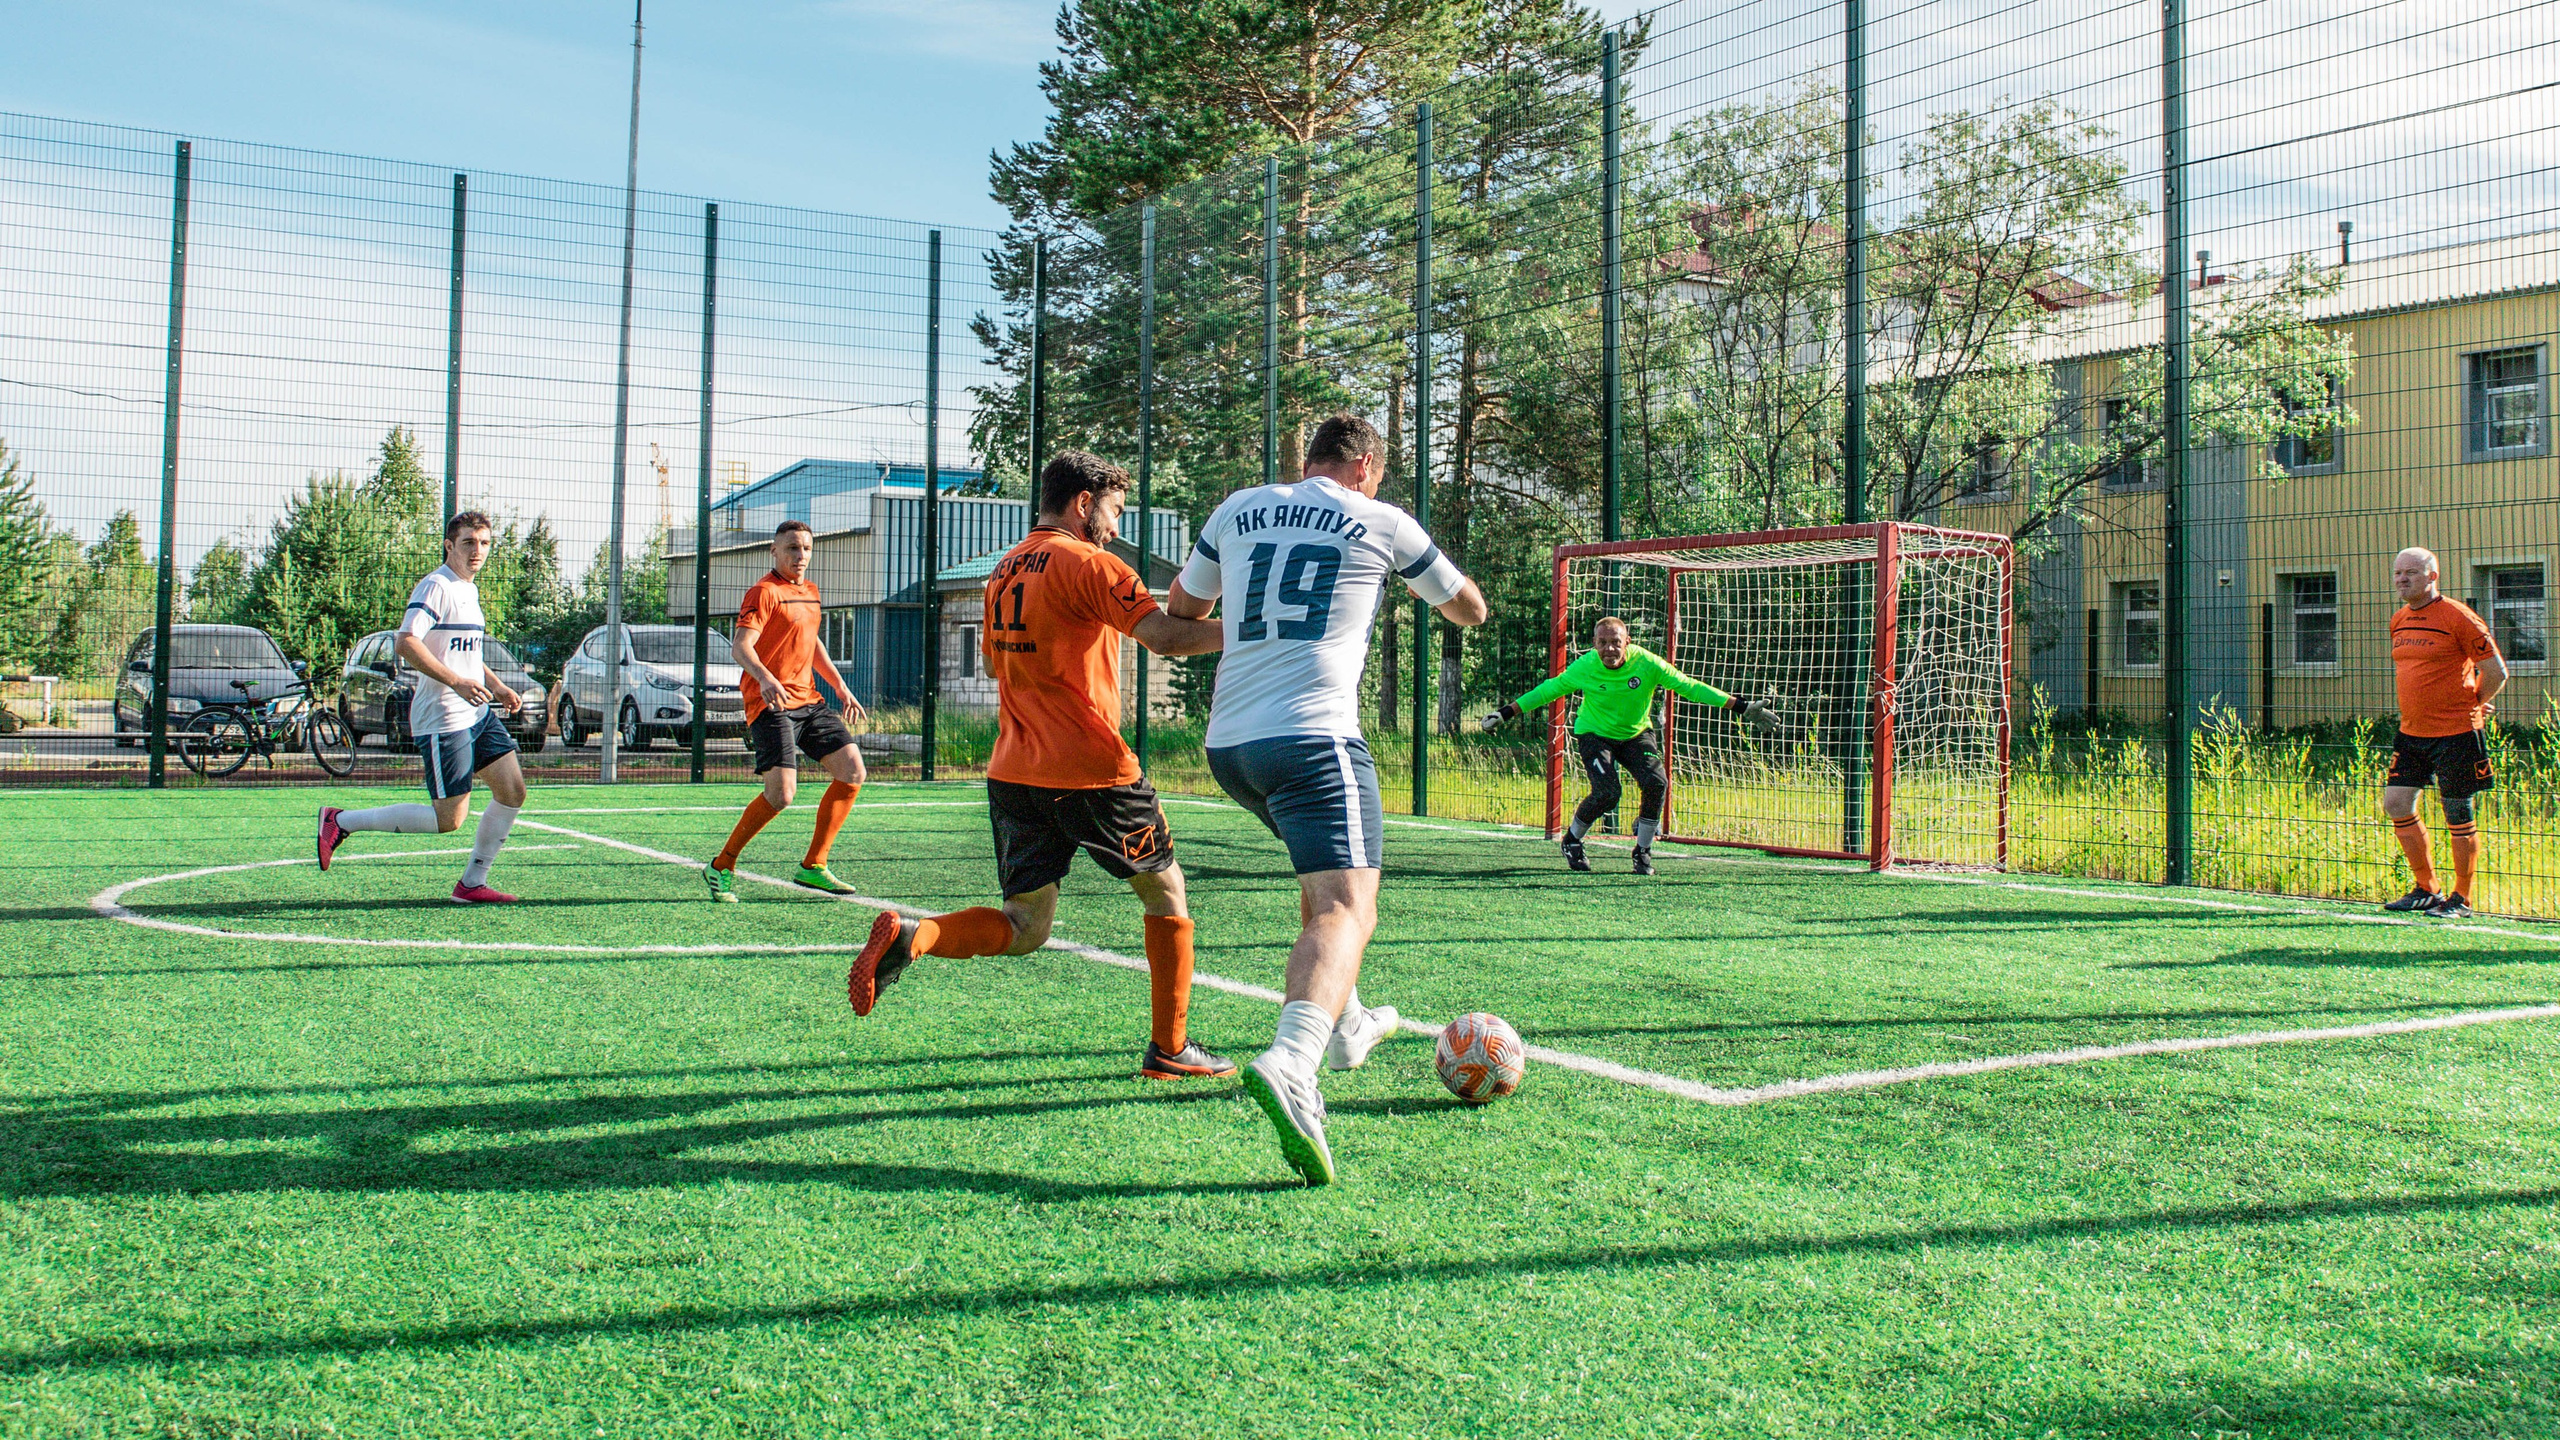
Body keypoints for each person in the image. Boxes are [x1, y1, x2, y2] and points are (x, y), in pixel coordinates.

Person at [1167, 413, 1488, 1185]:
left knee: (1322, 889)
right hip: (1313, 741)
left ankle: (1344, 1023)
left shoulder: (1238, 508)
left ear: (1306, 459)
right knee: (1350, 908)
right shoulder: (1381, 519)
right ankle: (1293, 1059)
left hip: (1231, 749)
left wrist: (1255, 629)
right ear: (1366, 466)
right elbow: (1468, 607)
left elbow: (1182, 614)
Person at [848, 452, 1236, 1081]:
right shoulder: (1092, 563)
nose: (1114, 526)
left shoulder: (1003, 570)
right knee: (1166, 891)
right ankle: (1170, 1048)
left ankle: (915, 937)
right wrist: (1254, 628)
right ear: (1084, 502)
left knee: (1026, 925)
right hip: (1091, 768)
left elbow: (1000, 667)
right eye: (1111, 510)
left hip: (1013, 770)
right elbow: (1165, 637)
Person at [316, 511, 529, 903]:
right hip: (444, 716)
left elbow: (464, 652)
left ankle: (471, 885)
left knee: (513, 791)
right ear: (449, 546)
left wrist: (496, 686)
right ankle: (340, 821)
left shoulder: (469, 589)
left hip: (476, 714)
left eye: (484, 543)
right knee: (448, 820)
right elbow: (407, 642)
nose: (477, 551)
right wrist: (457, 683)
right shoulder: (436, 586)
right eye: (468, 542)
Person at [1484, 616, 1779, 874]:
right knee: (1608, 793)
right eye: (1602, 643)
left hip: (1636, 734)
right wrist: (1504, 713)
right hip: (1595, 734)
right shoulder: (1585, 666)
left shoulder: (1647, 663)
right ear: (1594, 643)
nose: (1608, 649)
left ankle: (1642, 851)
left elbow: (1689, 686)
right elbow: (1547, 690)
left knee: (1656, 784)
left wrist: (1741, 706)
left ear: (1627, 642)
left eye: (1615, 642)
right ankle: (1572, 840)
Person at [705, 521, 872, 900]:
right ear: (775, 551)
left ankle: (814, 865)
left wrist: (840, 686)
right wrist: (765, 679)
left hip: (810, 702)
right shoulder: (763, 593)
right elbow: (741, 647)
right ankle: (722, 864)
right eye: (792, 548)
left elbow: (812, 644)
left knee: (853, 772)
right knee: (781, 795)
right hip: (771, 704)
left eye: (806, 549)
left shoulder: (810, 592)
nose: (800, 556)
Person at [2381, 545, 2508, 918]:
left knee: (2457, 810)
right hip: (2412, 733)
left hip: (2456, 734)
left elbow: (2497, 670)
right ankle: (2427, 889)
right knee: (2397, 803)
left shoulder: (2458, 617)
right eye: (2398, 573)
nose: (2402, 579)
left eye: (2412, 573)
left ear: (2432, 577)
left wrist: (2474, 703)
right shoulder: (2399, 619)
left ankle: (2462, 899)